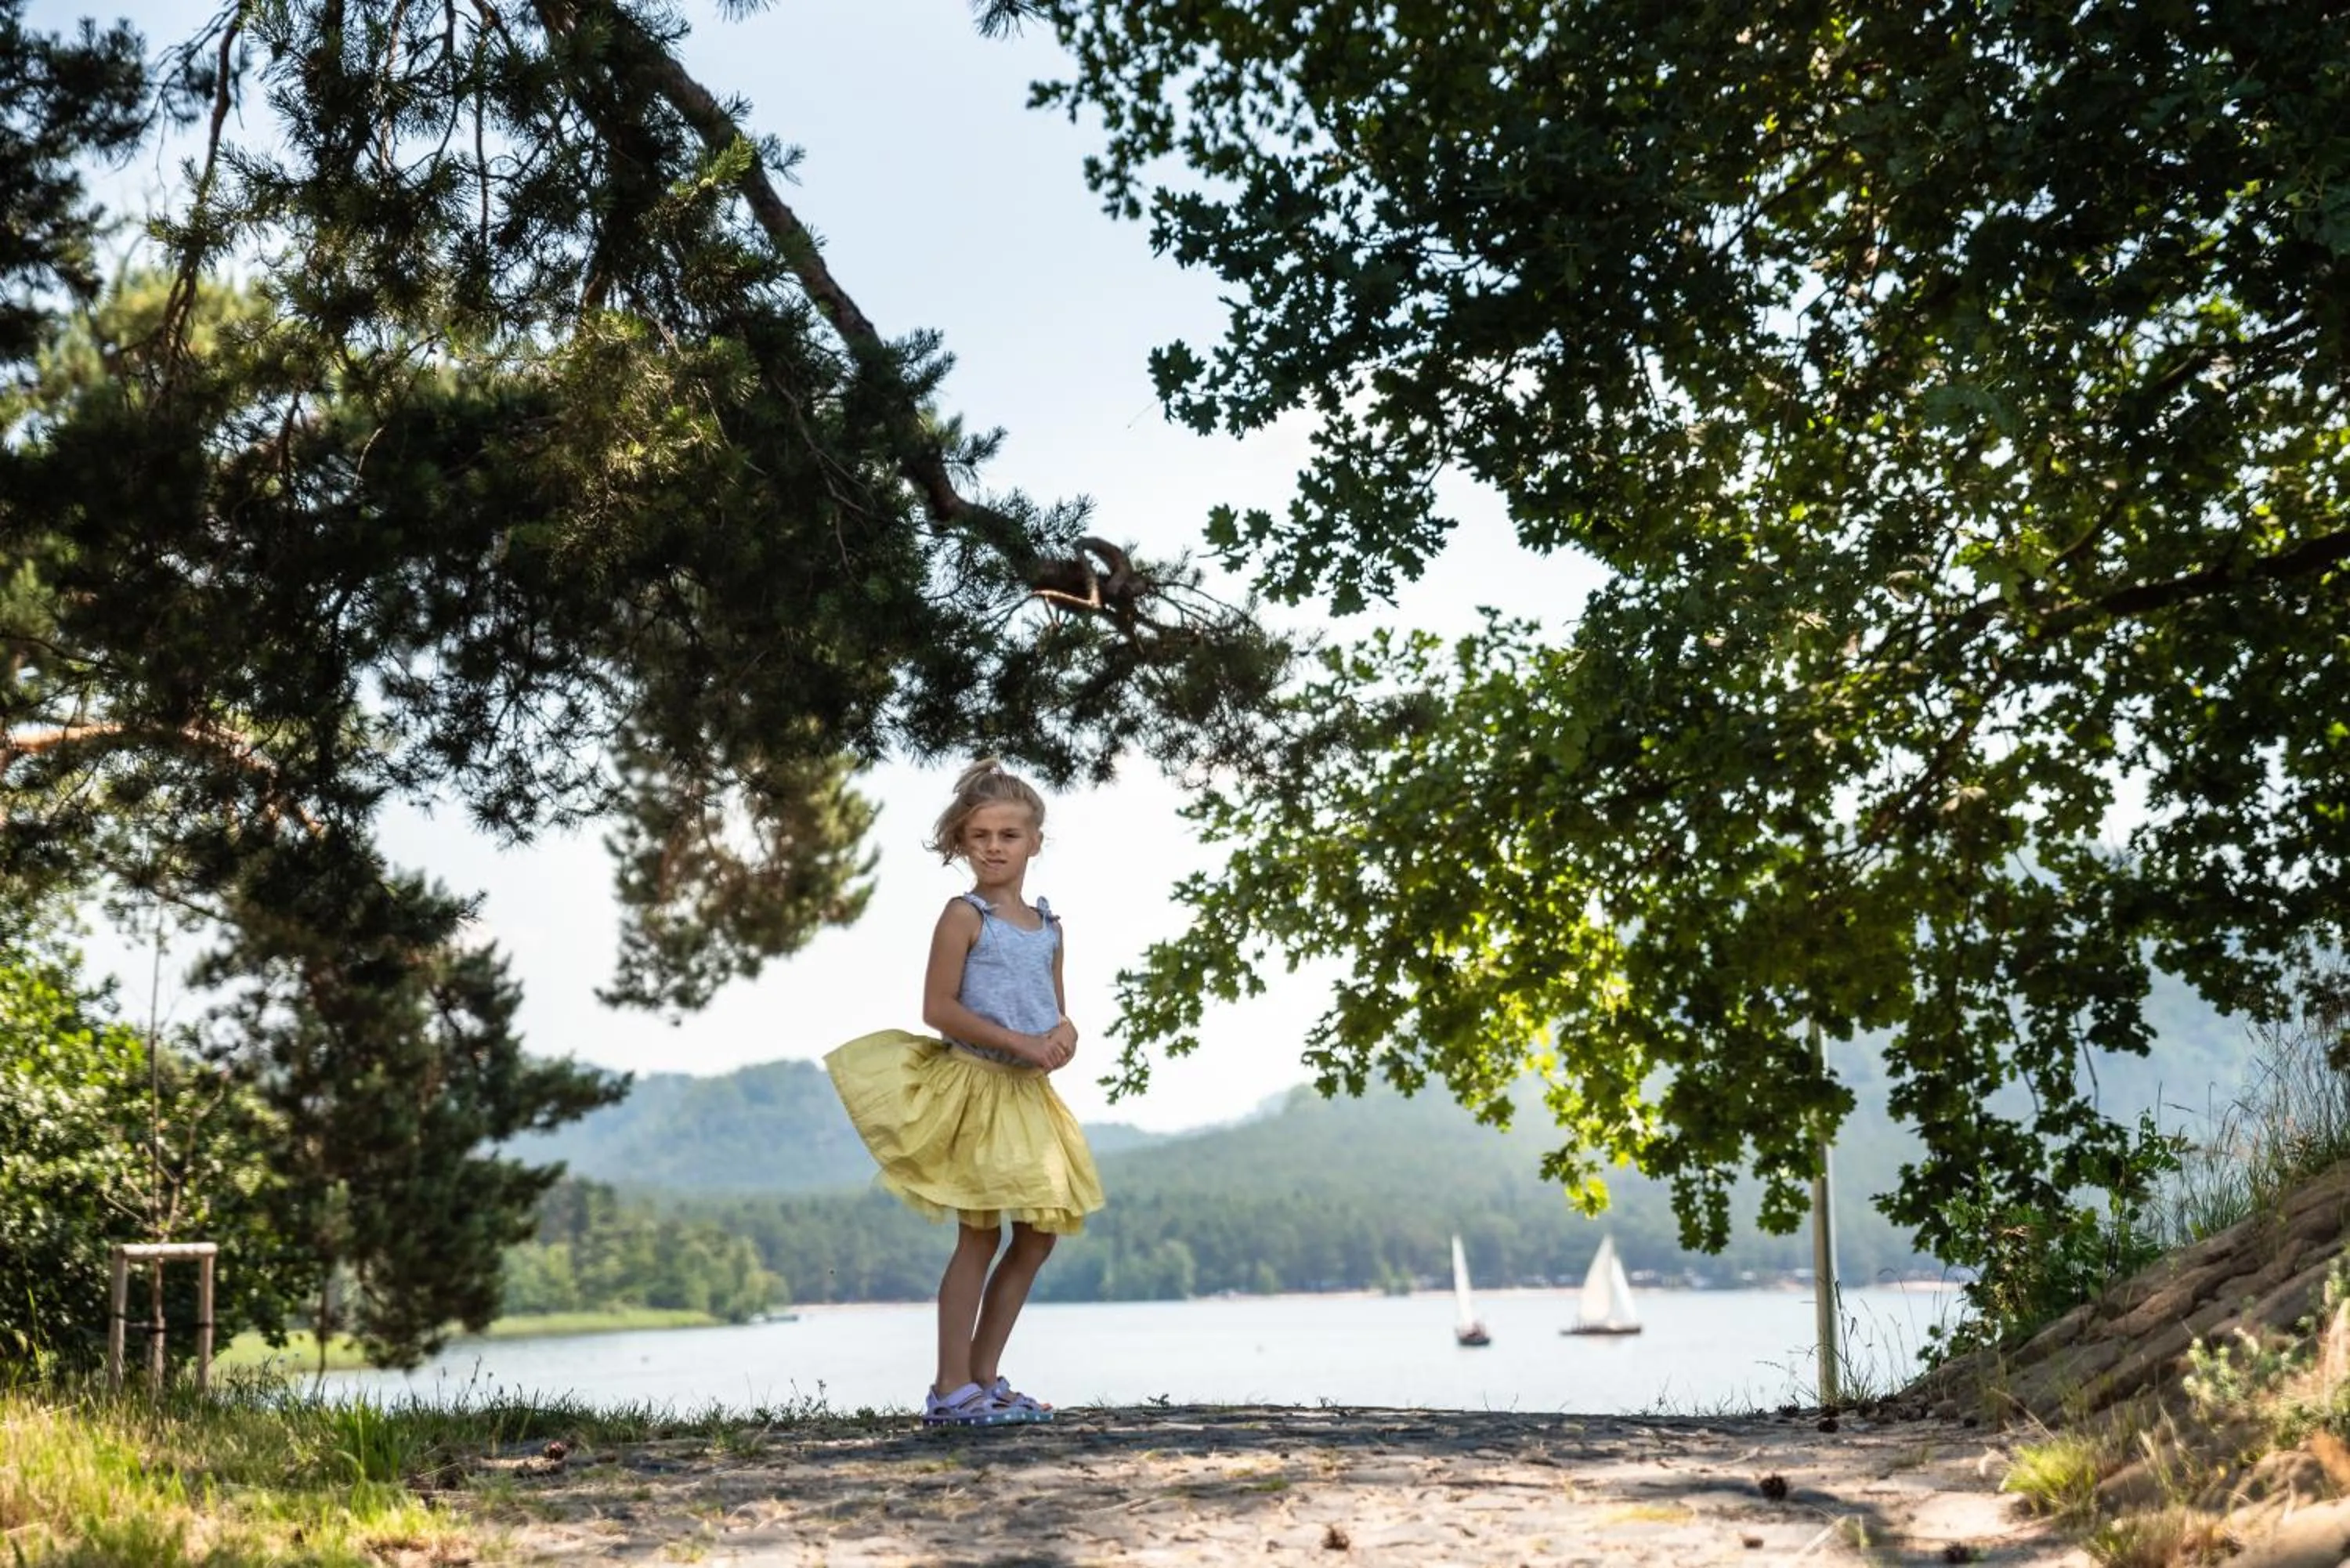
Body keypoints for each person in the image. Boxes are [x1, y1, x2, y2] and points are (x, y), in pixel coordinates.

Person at [825, 758, 1106, 1427]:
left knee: (1037, 1235)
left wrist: (1063, 1039)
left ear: (1036, 841)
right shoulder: (963, 916)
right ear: (961, 843)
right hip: (974, 1088)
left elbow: (1053, 1012)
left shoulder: (1049, 927)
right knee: (978, 1235)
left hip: (1025, 1096)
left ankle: (984, 1377)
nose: (995, 847)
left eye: (1009, 835)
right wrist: (1021, 1045)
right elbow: (938, 1009)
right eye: (980, 835)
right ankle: (952, 1388)